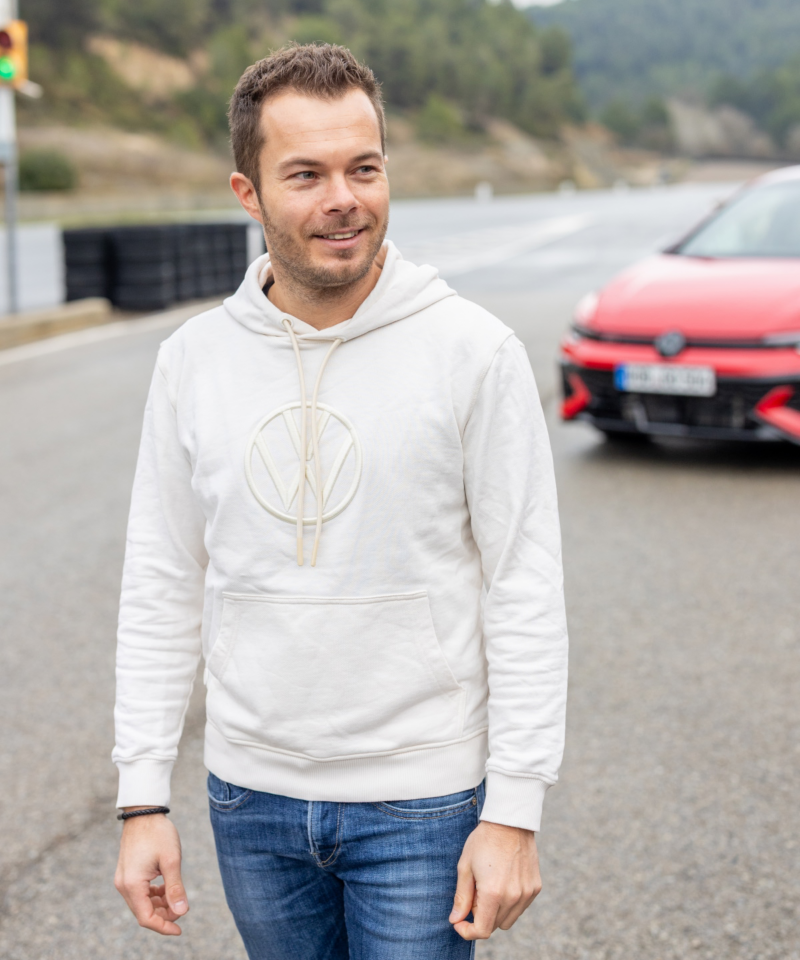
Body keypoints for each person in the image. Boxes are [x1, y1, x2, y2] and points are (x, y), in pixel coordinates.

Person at [113, 43, 568, 960]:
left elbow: (524, 584)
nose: (344, 199)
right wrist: (142, 798)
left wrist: (514, 809)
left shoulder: (473, 351)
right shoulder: (194, 360)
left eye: (364, 167)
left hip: (424, 802)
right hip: (249, 802)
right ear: (248, 194)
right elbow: (161, 578)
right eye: (306, 174)